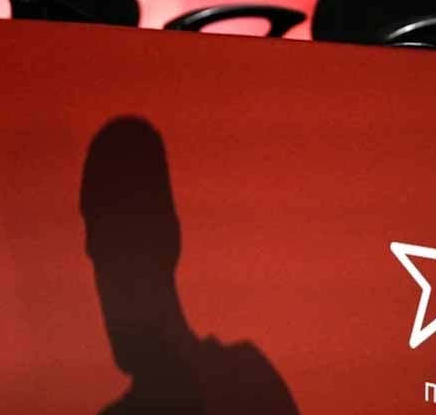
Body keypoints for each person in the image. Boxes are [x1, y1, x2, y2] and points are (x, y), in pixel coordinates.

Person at [80, 117, 299, 413]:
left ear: (168, 238)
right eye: (100, 260)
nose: (105, 285)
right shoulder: (246, 382)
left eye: (118, 250)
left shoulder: (246, 384)